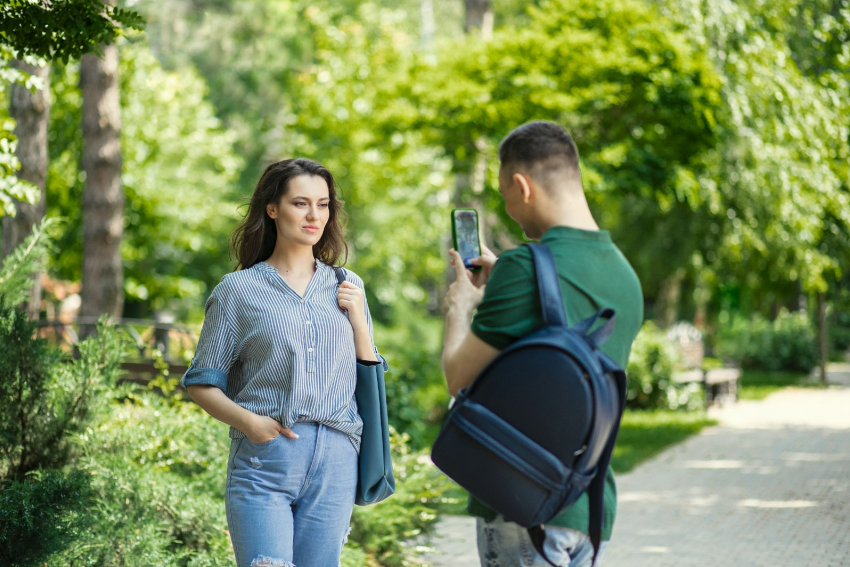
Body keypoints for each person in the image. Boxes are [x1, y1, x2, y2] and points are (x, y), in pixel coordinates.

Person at [441, 121, 644, 567]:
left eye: (505, 195)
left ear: (522, 186)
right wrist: (509, 279)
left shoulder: (522, 267)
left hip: (522, 502)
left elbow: (458, 378)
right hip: (590, 507)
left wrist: (460, 307)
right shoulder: (625, 276)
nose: (510, 209)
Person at [181, 158, 385, 567]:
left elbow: (369, 374)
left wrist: (359, 321)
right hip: (265, 461)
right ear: (272, 208)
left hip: (336, 459)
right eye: (300, 203)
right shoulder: (239, 290)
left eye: (324, 205)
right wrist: (251, 424)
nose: (314, 216)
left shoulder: (348, 285)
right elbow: (200, 383)